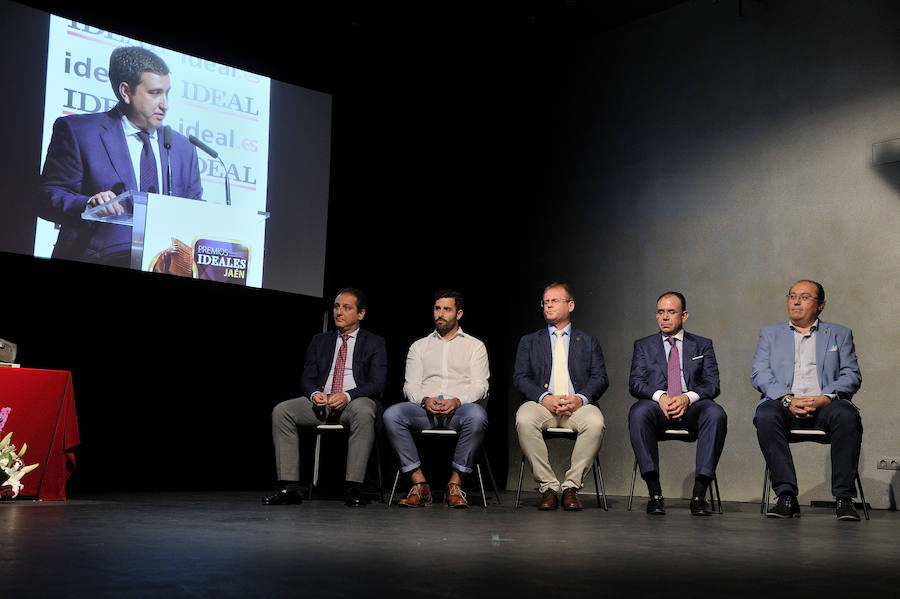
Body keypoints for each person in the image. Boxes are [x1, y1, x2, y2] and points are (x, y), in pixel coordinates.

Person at [39, 46, 203, 266]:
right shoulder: (80, 132)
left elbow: (195, 212)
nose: (164, 104)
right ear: (126, 92)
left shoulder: (183, 148)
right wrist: (89, 205)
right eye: (154, 93)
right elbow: (47, 197)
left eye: (167, 93)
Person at [752, 280, 863, 521]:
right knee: (765, 415)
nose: (796, 301)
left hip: (825, 405)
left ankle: (844, 498)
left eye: (804, 296)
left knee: (846, 415)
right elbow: (760, 373)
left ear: (820, 305)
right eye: (792, 296)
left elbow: (851, 375)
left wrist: (824, 398)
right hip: (784, 403)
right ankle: (786, 496)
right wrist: (787, 398)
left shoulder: (839, 334)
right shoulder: (770, 334)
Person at [265, 288, 387, 507]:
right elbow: (307, 377)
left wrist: (347, 396)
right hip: (323, 402)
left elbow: (377, 384)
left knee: (363, 409)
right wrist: (314, 394)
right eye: (336, 307)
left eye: (346, 308)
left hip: (353, 402)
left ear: (361, 314)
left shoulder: (374, 342)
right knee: (282, 411)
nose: (339, 312)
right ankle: (289, 488)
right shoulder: (320, 340)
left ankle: (354, 487)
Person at [383, 289, 489, 509]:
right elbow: (410, 385)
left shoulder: (475, 346)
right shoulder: (419, 346)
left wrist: (458, 401)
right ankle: (419, 484)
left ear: (459, 314)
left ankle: (454, 485)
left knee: (478, 416)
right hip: (425, 410)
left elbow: (481, 386)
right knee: (392, 415)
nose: (440, 314)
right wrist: (424, 400)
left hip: (459, 410)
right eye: (437, 308)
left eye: (447, 309)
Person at [628, 291, 727, 516]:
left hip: (692, 406)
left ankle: (699, 494)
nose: (665, 317)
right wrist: (660, 397)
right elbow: (635, 383)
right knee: (638, 413)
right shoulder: (643, 346)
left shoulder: (702, 345)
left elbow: (713, 384)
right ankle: (654, 493)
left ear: (684, 315)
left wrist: (686, 397)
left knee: (715, 413)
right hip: (657, 407)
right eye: (660, 312)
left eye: (671, 312)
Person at [513, 282, 608, 511]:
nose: (548, 305)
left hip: (577, 406)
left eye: (554, 300)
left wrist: (581, 398)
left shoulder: (588, 341)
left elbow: (600, 378)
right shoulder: (530, 341)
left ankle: (570, 488)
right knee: (524, 419)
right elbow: (520, 377)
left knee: (595, 422)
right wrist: (544, 397)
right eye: (545, 302)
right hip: (543, 405)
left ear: (571, 305)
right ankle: (548, 487)